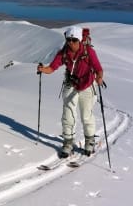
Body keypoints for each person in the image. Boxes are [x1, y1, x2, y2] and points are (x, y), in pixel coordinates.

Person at [37, 26, 104, 158]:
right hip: (71, 83)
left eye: (74, 40)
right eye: (68, 40)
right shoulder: (64, 53)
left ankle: (89, 141)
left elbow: (98, 68)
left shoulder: (88, 51)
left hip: (87, 85)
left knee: (86, 115)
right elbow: (52, 68)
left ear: (79, 40)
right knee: (68, 115)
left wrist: (99, 77)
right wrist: (43, 69)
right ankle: (68, 142)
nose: (71, 43)